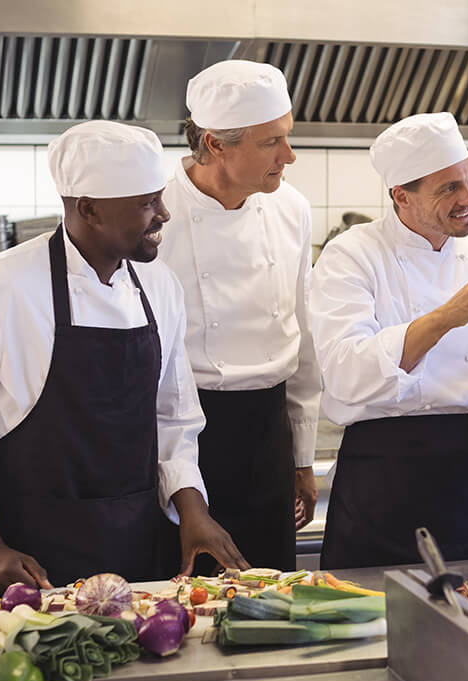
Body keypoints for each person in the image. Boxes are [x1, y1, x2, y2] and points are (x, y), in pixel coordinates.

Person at [0, 121, 248, 592]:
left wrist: (193, 510)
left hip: (140, 551)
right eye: (146, 203)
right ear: (89, 208)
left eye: (159, 197)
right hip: (28, 560)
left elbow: (173, 416)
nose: (164, 214)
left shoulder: (159, 287)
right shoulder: (1, 286)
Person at [310, 112, 468, 569]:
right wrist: (447, 315)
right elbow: (346, 372)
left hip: (461, 476)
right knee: (366, 628)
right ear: (400, 196)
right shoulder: (351, 255)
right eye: (448, 188)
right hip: (377, 479)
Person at [158, 60, 322, 573]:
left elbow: (303, 337)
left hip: (268, 437)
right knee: (186, 598)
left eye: (287, 137)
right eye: (271, 142)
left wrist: (302, 456)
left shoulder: (291, 208)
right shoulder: (153, 211)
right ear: (215, 144)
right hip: (184, 438)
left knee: (271, 596)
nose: (289, 156)